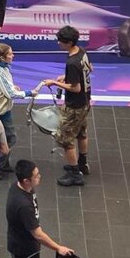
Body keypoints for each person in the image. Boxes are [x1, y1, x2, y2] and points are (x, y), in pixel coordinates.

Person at [7, 160, 74, 258]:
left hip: (21, 242)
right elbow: (37, 234)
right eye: (36, 176)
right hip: (24, 248)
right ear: (26, 181)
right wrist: (58, 248)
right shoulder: (23, 205)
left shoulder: (20, 188)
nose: (40, 177)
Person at [43, 25, 93, 187]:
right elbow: (88, 69)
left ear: (69, 42)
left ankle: (75, 174)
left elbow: (75, 88)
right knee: (81, 133)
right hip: (85, 102)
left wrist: (55, 82)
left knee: (66, 140)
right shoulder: (82, 52)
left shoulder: (72, 62)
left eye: (61, 41)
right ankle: (83, 163)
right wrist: (67, 76)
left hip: (74, 106)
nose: (58, 43)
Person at [0, 43, 35, 173]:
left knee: (1, 138)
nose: (13, 55)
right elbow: (10, 94)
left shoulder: (1, 67)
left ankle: (1, 164)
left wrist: (12, 86)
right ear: (2, 57)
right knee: (10, 138)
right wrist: (28, 93)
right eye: (10, 54)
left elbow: (5, 87)